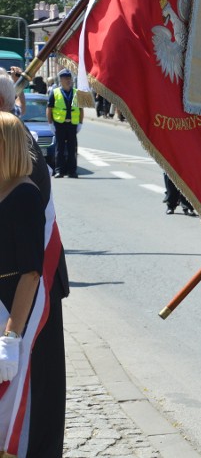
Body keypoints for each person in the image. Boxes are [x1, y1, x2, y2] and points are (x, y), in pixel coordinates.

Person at [0, 112, 58, 456]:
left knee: (7, 411)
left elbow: (31, 272)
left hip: (8, 305)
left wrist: (10, 337)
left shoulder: (24, 195)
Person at [46, 69, 83, 179]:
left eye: (69, 78)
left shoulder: (76, 93)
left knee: (72, 149)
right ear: (61, 80)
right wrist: (50, 123)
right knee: (59, 149)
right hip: (59, 124)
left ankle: (72, 171)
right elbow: (49, 109)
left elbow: (81, 110)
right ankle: (59, 171)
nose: (68, 80)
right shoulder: (55, 92)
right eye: (65, 78)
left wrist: (80, 123)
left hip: (72, 124)